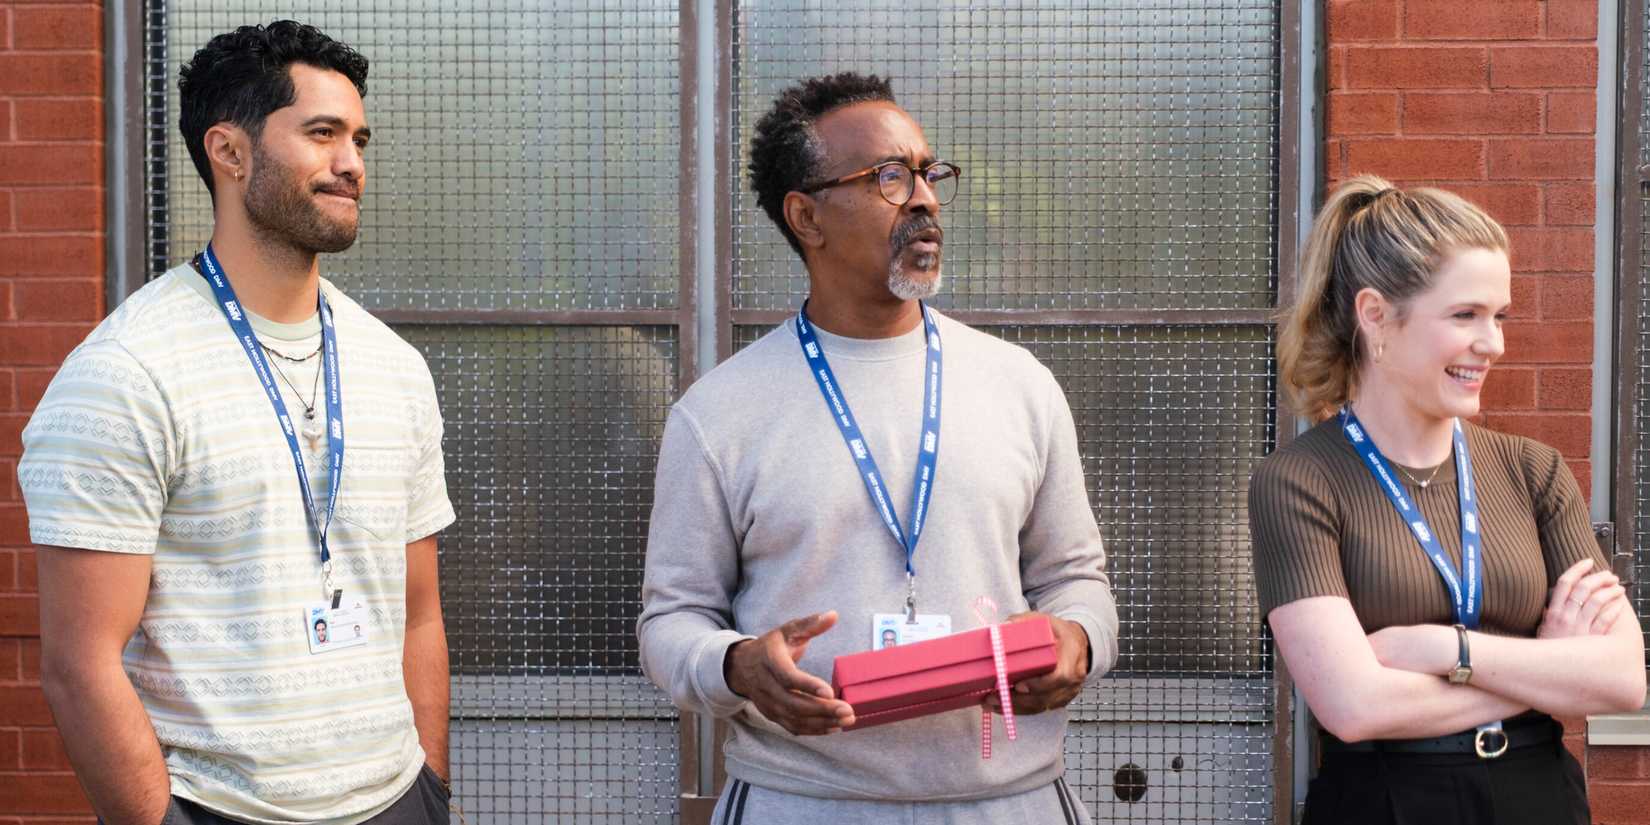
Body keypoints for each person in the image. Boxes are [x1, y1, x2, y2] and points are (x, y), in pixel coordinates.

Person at [637, 72, 1119, 824]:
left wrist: (1078, 640)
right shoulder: (719, 413)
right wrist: (735, 665)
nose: (924, 197)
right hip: (804, 800)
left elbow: (1078, 581)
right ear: (806, 216)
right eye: (889, 177)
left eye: (929, 172)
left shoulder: (1018, 384)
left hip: (1009, 800)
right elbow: (670, 623)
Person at [19, 21, 456, 825]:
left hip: (398, 798)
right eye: (321, 134)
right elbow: (79, 664)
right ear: (230, 152)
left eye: (358, 137)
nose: (352, 162)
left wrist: (431, 787)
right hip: (223, 809)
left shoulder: (394, 366)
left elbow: (419, 609)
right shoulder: (127, 371)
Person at [1249, 175, 1647, 824]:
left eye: (1499, 316)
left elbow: (1623, 679)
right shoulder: (1300, 480)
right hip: (1386, 799)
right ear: (1376, 315)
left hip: (1540, 797)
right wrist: (1547, 668)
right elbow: (1354, 706)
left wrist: (1448, 651)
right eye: (1465, 315)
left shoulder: (1533, 470)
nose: (1493, 344)